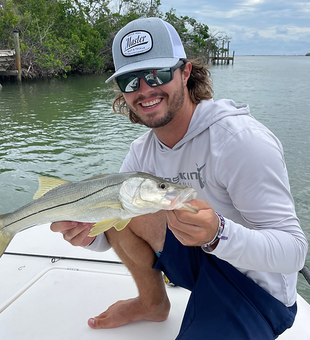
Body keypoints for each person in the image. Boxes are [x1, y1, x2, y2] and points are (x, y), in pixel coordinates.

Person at [50, 17, 308, 339]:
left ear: (185, 72)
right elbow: (116, 228)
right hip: (197, 260)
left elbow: (294, 251)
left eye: (156, 74)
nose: (145, 90)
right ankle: (151, 302)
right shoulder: (141, 152)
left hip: (254, 288)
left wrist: (218, 234)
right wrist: (87, 236)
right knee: (119, 200)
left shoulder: (239, 141)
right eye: (131, 81)